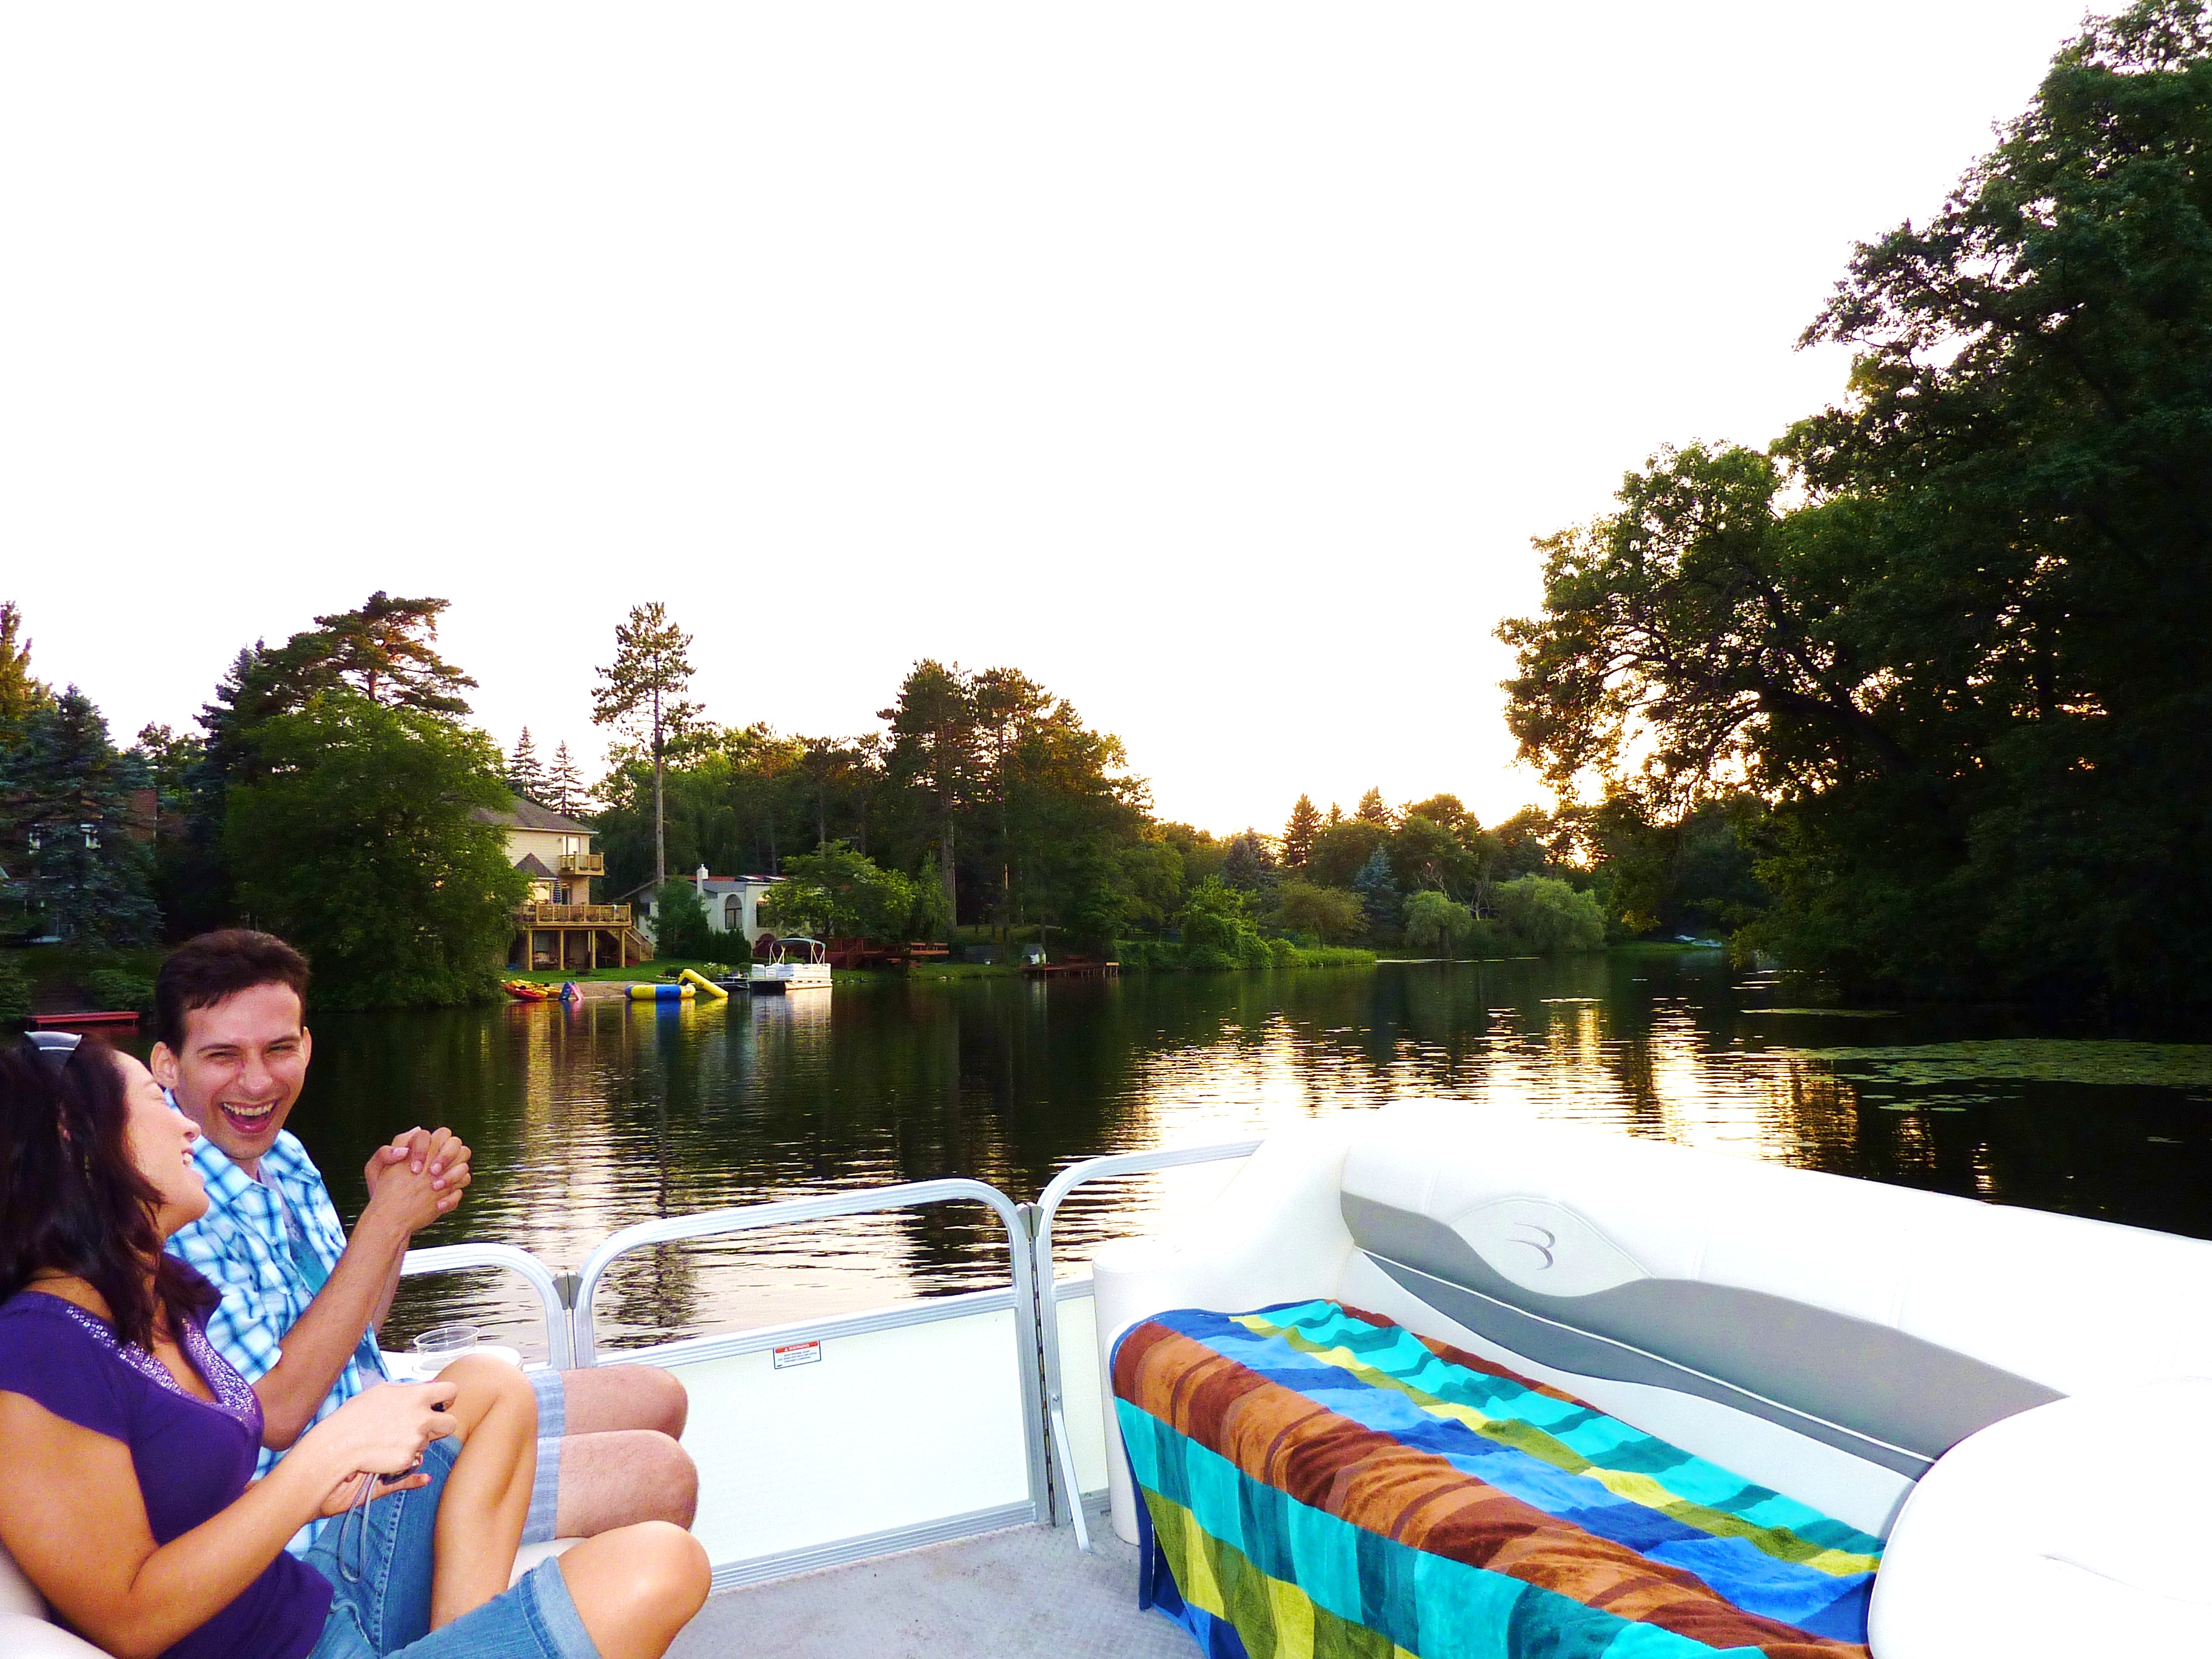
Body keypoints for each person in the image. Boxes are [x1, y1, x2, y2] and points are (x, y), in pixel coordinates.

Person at [0, 1031, 709, 1658]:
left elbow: (197, 1487)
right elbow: (129, 1622)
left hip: (316, 1602)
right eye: (156, 1100)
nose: (185, 1124)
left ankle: (453, 1643)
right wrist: (321, 1463)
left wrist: (316, 1489)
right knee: (658, 1567)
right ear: (77, 1140)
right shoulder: (37, 1349)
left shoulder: (157, 1296)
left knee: (488, 1388)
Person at [152, 930, 696, 1553]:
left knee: (656, 1395)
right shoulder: (167, 1205)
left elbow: (358, 1329)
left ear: (306, 1045)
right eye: (223, 1055)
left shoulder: (283, 1154)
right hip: (330, 1510)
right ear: (168, 1064)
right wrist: (382, 1223)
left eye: (278, 1049)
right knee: (659, 1473)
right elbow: (274, 1415)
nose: (256, 1083)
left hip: (383, 1418)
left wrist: (394, 1220)